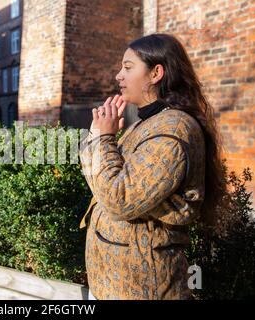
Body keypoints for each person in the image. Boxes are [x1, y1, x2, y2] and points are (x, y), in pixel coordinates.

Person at [79, 33, 226, 300]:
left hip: (143, 289)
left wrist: (103, 139)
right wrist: (96, 135)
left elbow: (118, 198)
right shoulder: (145, 125)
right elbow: (97, 177)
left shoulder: (174, 130)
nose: (118, 76)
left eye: (127, 67)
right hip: (114, 286)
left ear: (156, 72)